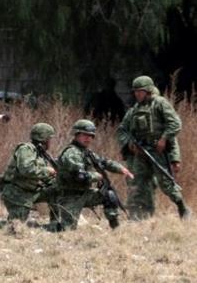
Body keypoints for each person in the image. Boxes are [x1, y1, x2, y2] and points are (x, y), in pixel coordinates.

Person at [116, 75, 191, 219]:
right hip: (140, 153)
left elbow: (175, 124)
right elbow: (121, 130)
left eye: (141, 91)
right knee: (136, 183)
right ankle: (137, 216)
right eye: (135, 91)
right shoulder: (134, 110)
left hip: (158, 152)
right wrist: (130, 144)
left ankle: (182, 207)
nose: (137, 94)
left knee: (166, 184)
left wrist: (163, 140)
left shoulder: (160, 103)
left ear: (149, 90)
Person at [55, 119, 134, 230]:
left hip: (85, 194)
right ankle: (38, 227)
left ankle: (115, 228)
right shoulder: (71, 153)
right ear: (77, 135)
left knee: (109, 195)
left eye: (91, 136)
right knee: (66, 230)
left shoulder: (86, 152)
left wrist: (121, 169)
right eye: (85, 135)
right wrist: (97, 176)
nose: (88, 138)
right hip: (70, 196)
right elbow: (80, 177)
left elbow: (103, 162)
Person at [0, 123, 58, 224]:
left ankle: (57, 223)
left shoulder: (40, 154)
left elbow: (43, 178)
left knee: (58, 190)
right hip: (17, 193)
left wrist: (56, 178)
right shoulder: (25, 149)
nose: (50, 142)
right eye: (49, 139)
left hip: (31, 192)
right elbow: (27, 169)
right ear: (44, 139)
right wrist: (48, 171)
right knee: (16, 224)